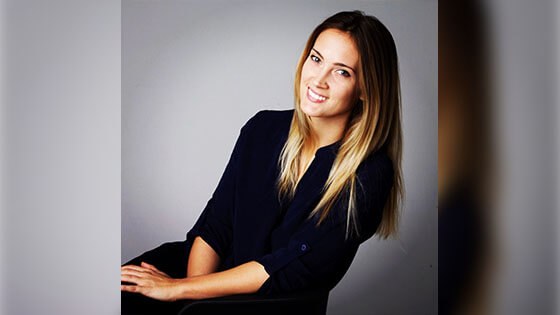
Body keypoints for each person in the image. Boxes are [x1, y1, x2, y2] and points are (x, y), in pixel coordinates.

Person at [121, 10, 403, 314]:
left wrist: (181, 293)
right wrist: (190, 295)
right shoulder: (263, 129)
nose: (318, 80)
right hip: (202, 275)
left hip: (270, 301)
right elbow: (215, 225)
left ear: (366, 88)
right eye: (316, 59)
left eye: (342, 71)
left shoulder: (370, 174)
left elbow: (288, 265)